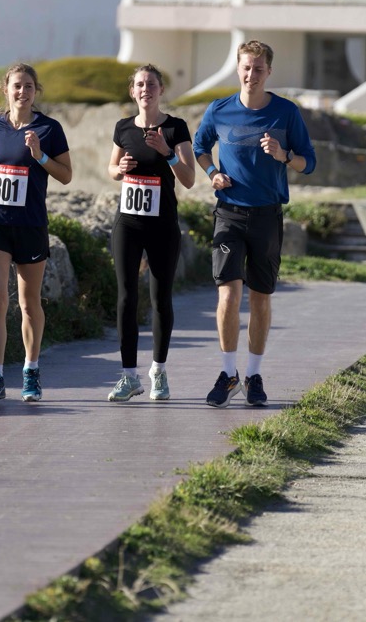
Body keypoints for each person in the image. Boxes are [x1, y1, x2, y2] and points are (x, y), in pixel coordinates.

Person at [192, 40, 317, 408]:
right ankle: (228, 373)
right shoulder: (219, 109)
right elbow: (200, 148)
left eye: (258, 69)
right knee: (228, 295)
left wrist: (284, 155)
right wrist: (212, 173)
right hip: (229, 213)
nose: (251, 75)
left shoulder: (286, 112)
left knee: (260, 298)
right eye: (246, 68)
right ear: (238, 68)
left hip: (267, 215)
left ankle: (254, 375)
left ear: (269, 72)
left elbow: (309, 162)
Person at [0, 63, 72, 402]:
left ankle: (31, 370)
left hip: (30, 225)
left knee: (28, 304)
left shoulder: (49, 128)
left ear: (35, 91)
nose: (22, 91)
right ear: (6, 89)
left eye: (28, 86)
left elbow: (66, 175)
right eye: (17, 85)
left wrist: (40, 156)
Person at [105, 65, 196, 402]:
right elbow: (112, 168)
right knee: (126, 297)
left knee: (160, 298)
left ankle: (158, 371)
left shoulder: (175, 128)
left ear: (161, 90)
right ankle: (129, 376)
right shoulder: (123, 127)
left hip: (162, 224)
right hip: (128, 222)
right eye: (140, 85)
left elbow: (189, 179)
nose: (146, 89)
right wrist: (120, 170)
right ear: (133, 91)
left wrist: (167, 153)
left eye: (152, 84)